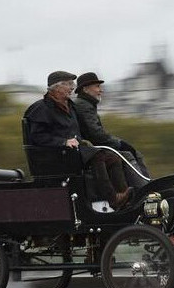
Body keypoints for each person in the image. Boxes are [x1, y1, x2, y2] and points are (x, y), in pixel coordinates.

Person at [23, 71, 129, 210]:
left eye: (72, 84)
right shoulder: (40, 109)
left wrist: (95, 141)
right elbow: (38, 137)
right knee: (97, 156)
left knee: (113, 157)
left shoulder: (71, 106)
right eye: (68, 84)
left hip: (75, 152)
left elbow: (81, 132)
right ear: (56, 88)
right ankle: (112, 199)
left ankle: (124, 196)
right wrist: (63, 142)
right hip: (55, 157)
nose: (72, 87)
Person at [73, 71, 150, 179]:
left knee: (131, 153)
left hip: (91, 145)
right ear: (85, 89)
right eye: (97, 86)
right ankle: (144, 187)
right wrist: (119, 143)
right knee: (129, 154)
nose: (101, 90)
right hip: (91, 147)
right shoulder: (84, 106)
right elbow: (95, 134)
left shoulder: (85, 104)